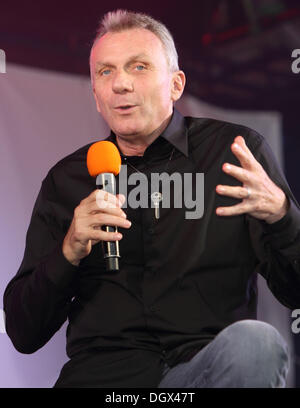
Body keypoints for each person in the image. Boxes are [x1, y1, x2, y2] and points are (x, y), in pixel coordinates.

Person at [3, 9, 300, 388]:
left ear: (175, 85)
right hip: (103, 381)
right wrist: (69, 251)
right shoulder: (68, 180)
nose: (120, 84)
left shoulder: (234, 155)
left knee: (256, 343)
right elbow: (23, 332)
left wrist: (282, 216)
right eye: (105, 72)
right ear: (96, 95)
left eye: (138, 67)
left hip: (203, 372)